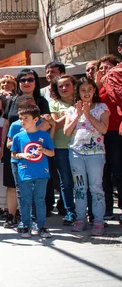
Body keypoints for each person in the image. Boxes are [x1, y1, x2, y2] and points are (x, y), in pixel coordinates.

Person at [2, 70, 53, 229]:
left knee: (34, 188)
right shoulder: (12, 100)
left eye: (30, 79)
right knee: (14, 185)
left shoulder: (42, 101)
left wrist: (31, 140)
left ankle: (34, 219)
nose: (26, 82)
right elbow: (6, 124)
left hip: (34, 151)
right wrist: (5, 146)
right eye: (22, 79)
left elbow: (46, 124)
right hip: (16, 150)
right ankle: (12, 216)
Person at [64, 77, 109, 236]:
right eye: (83, 90)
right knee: (80, 188)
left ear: (94, 91)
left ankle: (98, 221)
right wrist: (77, 115)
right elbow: (67, 132)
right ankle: (80, 219)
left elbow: (103, 129)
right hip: (76, 154)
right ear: (78, 92)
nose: (86, 93)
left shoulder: (101, 108)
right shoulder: (71, 110)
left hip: (95, 154)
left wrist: (88, 114)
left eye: (90, 89)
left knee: (96, 187)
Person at [11, 105, 55, 238]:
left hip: (42, 172)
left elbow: (52, 153)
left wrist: (44, 151)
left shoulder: (44, 136)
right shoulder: (18, 136)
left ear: (36, 119)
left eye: (26, 118)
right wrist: (22, 155)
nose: (22, 121)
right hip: (25, 173)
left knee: (40, 200)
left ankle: (41, 226)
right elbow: (13, 154)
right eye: (20, 118)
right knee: (25, 200)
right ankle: (25, 225)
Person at [96, 55, 122, 221]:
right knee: (103, 173)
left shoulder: (116, 82)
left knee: (119, 172)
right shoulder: (98, 87)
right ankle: (106, 208)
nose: (104, 71)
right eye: (101, 68)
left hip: (116, 132)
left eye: (107, 67)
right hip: (100, 134)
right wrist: (98, 84)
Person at [49, 76, 77, 226]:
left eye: (67, 85)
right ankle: (70, 212)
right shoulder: (54, 104)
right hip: (61, 147)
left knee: (82, 181)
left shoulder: (83, 102)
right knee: (66, 181)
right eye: (61, 86)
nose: (64, 88)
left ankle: (90, 213)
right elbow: (55, 125)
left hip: (82, 147)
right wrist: (71, 114)